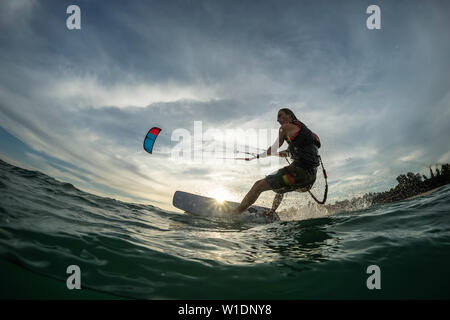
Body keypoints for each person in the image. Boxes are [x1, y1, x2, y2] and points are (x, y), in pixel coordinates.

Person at [232, 108, 321, 219]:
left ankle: (233, 215)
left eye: (281, 116)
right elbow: (293, 152)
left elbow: (272, 149)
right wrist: (281, 153)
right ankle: (271, 212)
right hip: (308, 180)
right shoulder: (308, 134)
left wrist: (264, 154)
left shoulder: (284, 128)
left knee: (258, 186)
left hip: (299, 173)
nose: (278, 120)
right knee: (281, 185)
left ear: (290, 116)